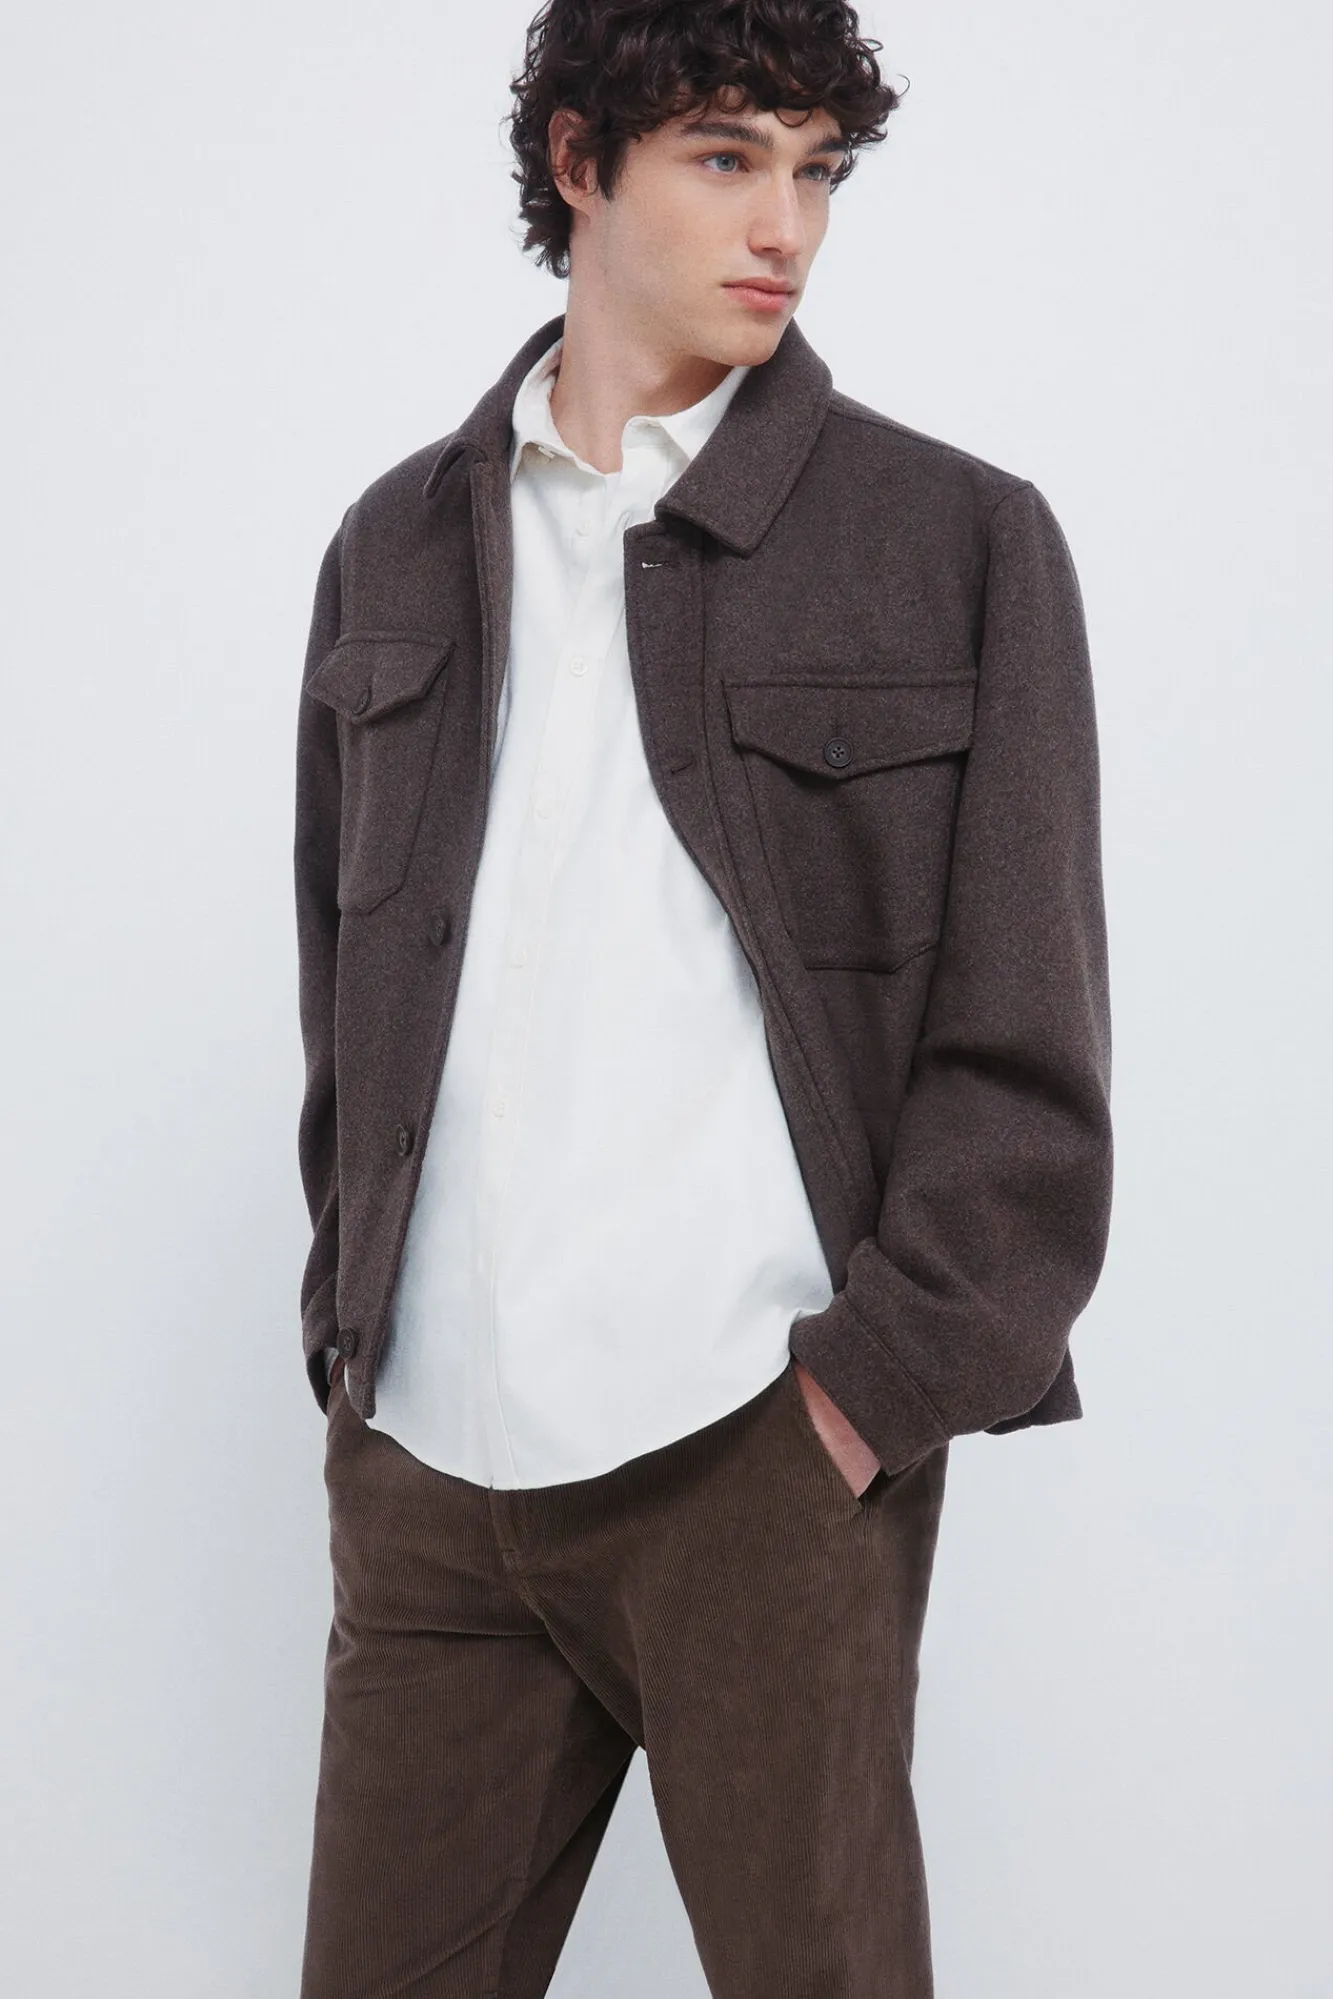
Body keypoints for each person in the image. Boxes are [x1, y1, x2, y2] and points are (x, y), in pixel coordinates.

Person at [292, 3, 1113, 1993]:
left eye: (818, 170)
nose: (788, 228)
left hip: (758, 1459)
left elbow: (1030, 1057)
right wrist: (352, 1333)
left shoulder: (958, 542)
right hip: (432, 1472)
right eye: (730, 158)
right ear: (579, 161)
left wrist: (863, 1402)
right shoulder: (392, 551)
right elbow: (345, 985)